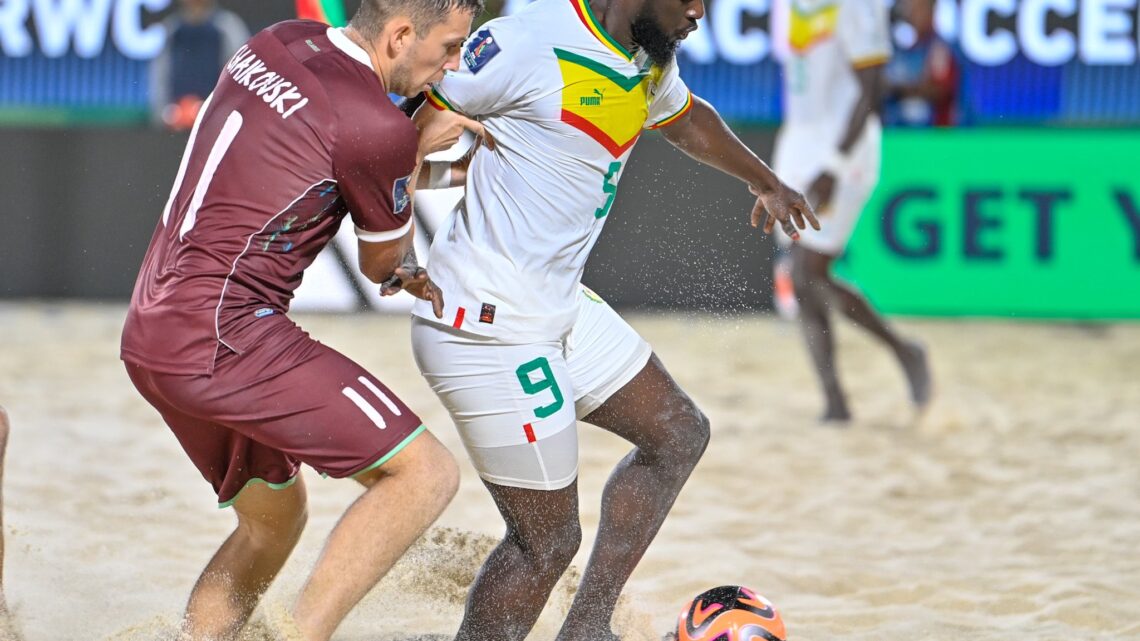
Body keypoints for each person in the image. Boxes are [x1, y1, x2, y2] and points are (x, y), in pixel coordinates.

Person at [402, 0, 818, 638]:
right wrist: (389, 232)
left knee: (678, 434)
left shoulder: (646, 53)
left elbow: (683, 117)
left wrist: (763, 180)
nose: (699, 12)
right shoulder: (526, 41)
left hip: (558, 305)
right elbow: (404, 115)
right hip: (485, 323)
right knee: (546, 544)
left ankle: (588, 627)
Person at [120, 0, 487, 638]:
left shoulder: (277, 42)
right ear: (401, 34)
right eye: (450, 48)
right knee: (424, 475)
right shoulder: (379, 129)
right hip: (226, 335)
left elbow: (323, 159)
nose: (454, 66)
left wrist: (405, 151)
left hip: (151, 330)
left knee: (273, 523)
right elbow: (382, 265)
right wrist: (419, 141)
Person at [771, 0, 931, 422]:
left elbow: (873, 86)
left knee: (809, 269)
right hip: (798, 143)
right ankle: (835, 401)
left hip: (844, 148)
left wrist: (835, 166)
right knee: (802, 278)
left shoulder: (860, 4)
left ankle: (903, 351)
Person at [149, 0, 251, 130]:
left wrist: (216, 113)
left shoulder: (229, 28)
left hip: (218, 126)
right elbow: (159, 81)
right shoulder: (170, 30)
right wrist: (167, 114)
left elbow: (240, 81)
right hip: (174, 126)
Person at [884, 0, 959, 127]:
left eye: (918, 9)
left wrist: (900, 89)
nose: (911, 14)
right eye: (909, 9)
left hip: (933, 135)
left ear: (932, 11)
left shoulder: (940, 48)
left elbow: (940, 90)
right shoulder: (900, 48)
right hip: (898, 133)